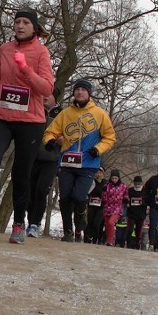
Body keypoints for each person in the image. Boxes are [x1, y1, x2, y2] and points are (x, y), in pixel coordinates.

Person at [0, 9, 55, 244]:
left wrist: (25, 70)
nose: (20, 26)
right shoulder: (4, 49)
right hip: (2, 116)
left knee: (21, 173)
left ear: (34, 27)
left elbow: (46, 89)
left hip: (30, 121)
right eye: (17, 22)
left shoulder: (41, 52)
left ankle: (19, 223)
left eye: (25, 22)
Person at [43, 79, 116, 242]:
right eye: (77, 89)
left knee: (79, 196)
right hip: (67, 163)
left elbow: (110, 137)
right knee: (65, 198)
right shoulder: (65, 114)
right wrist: (50, 141)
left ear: (89, 93)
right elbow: (50, 132)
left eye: (83, 90)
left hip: (88, 164)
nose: (80, 92)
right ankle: (68, 231)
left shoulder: (100, 114)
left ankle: (81, 215)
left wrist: (98, 149)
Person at [25, 86, 63, 238]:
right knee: (29, 192)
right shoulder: (33, 109)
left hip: (51, 159)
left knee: (41, 190)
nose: (44, 96)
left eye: (48, 94)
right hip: (31, 157)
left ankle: (35, 224)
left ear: (55, 97)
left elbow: (73, 136)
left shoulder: (63, 114)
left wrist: (63, 141)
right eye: (42, 93)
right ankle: (29, 222)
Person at [100, 169, 128, 246]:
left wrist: (126, 199)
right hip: (107, 207)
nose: (114, 180)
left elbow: (126, 195)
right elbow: (103, 198)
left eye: (116, 178)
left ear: (119, 178)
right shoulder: (107, 185)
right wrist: (104, 192)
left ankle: (110, 241)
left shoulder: (123, 186)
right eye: (113, 178)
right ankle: (108, 239)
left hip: (117, 208)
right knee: (107, 225)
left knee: (111, 222)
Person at [84, 167, 106, 243]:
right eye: (97, 172)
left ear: (103, 174)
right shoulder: (91, 181)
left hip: (101, 206)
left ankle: (95, 239)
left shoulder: (106, 183)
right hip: (91, 205)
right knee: (90, 222)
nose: (98, 174)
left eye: (100, 173)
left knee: (97, 224)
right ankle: (88, 238)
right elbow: (87, 191)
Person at [126, 175, 147, 250]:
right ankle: (128, 243)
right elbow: (126, 198)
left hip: (141, 214)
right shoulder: (130, 190)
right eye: (136, 184)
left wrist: (143, 202)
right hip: (131, 213)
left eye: (139, 184)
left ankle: (136, 243)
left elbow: (148, 201)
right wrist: (127, 202)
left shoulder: (145, 191)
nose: (137, 186)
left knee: (138, 231)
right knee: (130, 229)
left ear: (141, 184)